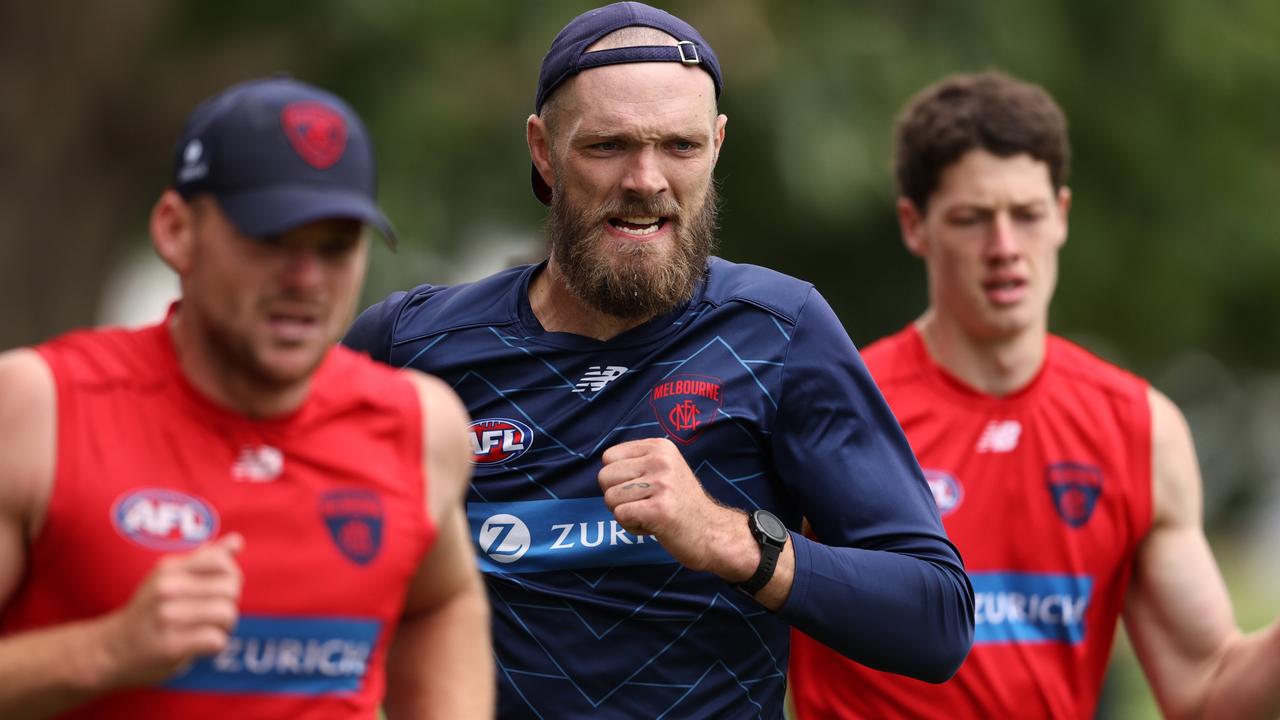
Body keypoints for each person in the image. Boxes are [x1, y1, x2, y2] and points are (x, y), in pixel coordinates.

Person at [343, 3, 973, 718]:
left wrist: (728, 539)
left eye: (680, 145)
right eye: (608, 145)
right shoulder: (412, 348)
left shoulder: (779, 330)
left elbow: (936, 618)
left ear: (717, 146)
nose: (646, 180)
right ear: (544, 151)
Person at [789, 70, 1280, 719]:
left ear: (1062, 216)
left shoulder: (1140, 429)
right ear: (915, 226)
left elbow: (1207, 689)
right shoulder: (838, 407)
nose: (1004, 247)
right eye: (972, 219)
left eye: (1026, 215)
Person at [0, 76, 493, 719]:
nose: (306, 279)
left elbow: (442, 601)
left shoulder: (418, 425)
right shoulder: (37, 407)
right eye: (271, 241)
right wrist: (107, 650)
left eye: (336, 247)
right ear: (176, 230)